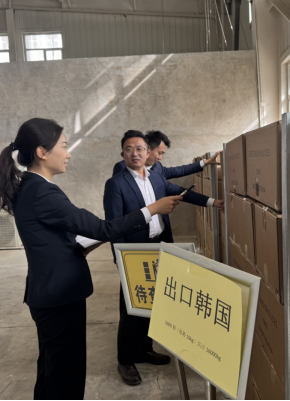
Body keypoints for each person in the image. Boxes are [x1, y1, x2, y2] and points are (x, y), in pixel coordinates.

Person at [0, 118, 182, 400]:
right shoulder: (43, 192)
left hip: (50, 294)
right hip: (59, 297)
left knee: (52, 371)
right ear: (42, 152)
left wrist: (82, 245)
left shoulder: (31, 188)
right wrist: (152, 209)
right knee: (65, 377)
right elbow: (103, 228)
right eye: (63, 146)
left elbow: (54, 238)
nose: (68, 154)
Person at [104, 130, 224, 386]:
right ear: (122, 154)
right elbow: (113, 226)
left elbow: (181, 191)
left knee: (154, 301)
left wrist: (213, 202)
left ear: (147, 152)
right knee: (131, 307)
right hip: (134, 252)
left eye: (139, 149)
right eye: (129, 149)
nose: (135, 154)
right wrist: (119, 258)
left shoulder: (156, 177)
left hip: (159, 246)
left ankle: (144, 349)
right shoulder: (115, 184)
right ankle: (126, 360)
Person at [112, 130, 222, 179]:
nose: (160, 158)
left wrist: (205, 162)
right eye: (159, 153)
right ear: (148, 149)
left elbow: (179, 170)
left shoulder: (157, 167)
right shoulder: (122, 167)